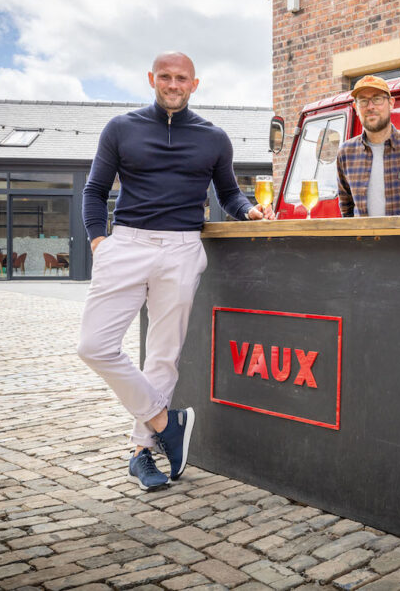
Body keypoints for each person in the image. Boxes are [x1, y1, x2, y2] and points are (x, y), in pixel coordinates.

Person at [78, 51, 274, 492]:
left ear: (194, 84)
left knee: (163, 355)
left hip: (182, 248)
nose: (172, 84)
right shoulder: (121, 128)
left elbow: (229, 193)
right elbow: (93, 191)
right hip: (125, 243)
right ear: (151, 78)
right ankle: (168, 421)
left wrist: (249, 212)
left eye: (180, 78)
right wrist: (98, 242)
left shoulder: (213, 137)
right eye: (164, 76)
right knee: (94, 346)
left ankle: (141, 452)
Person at [336, 75, 400, 216]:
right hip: (364, 238)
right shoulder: (346, 153)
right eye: (363, 101)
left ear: (391, 103)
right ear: (355, 107)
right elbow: (346, 208)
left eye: (377, 99)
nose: (370, 107)